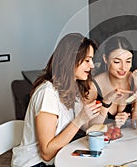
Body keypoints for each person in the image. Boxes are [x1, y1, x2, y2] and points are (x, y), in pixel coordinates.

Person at [11, 33, 113, 167]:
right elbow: (46, 153)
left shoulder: (72, 88)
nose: (92, 65)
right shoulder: (48, 93)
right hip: (35, 164)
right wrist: (80, 119)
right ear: (70, 60)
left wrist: (106, 103)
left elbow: (88, 128)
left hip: (56, 158)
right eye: (87, 60)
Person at [87, 36, 137, 128]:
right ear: (105, 59)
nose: (123, 68)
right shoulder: (93, 86)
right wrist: (114, 125)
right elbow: (89, 129)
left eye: (128, 61)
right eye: (117, 62)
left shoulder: (136, 80)